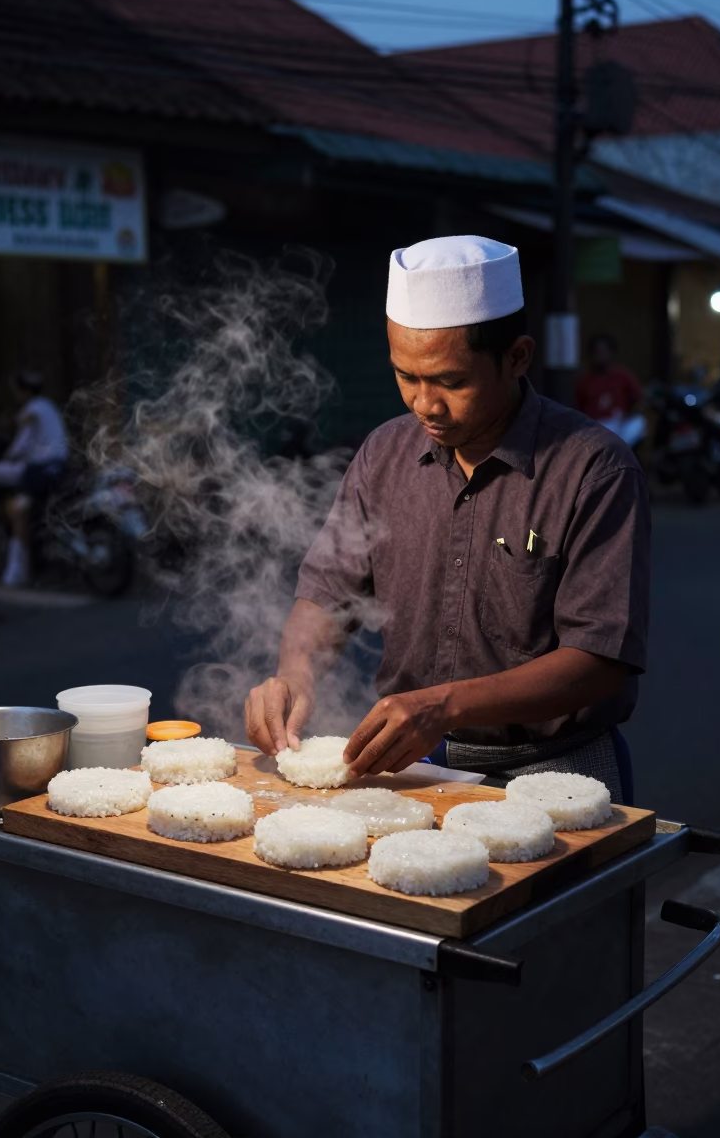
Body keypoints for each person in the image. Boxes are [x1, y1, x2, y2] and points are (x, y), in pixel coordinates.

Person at [244, 236, 650, 803]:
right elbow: (326, 593)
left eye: (451, 382)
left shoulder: (595, 469)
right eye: (406, 376)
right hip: (415, 765)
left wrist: (446, 705)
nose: (424, 405)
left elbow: (601, 660)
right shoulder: (382, 454)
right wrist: (295, 675)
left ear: (518, 356)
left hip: (557, 771)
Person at [0, 372, 68, 586]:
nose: (15, 396)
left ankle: (15, 570)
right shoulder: (49, 406)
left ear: (25, 391)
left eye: (17, 391)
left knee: (17, 510)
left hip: (39, 470)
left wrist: (8, 455)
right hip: (58, 468)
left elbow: (22, 442)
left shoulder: (31, 410)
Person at [576, 334, 645, 449]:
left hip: (619, 426)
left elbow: (638, 400)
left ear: (612, 353)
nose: (600, 356)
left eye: (604, 351)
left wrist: (627, 416)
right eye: (597, 352)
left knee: (639, 422)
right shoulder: (585, 380)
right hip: (594, 428)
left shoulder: (622, 376)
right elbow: (579, 407)